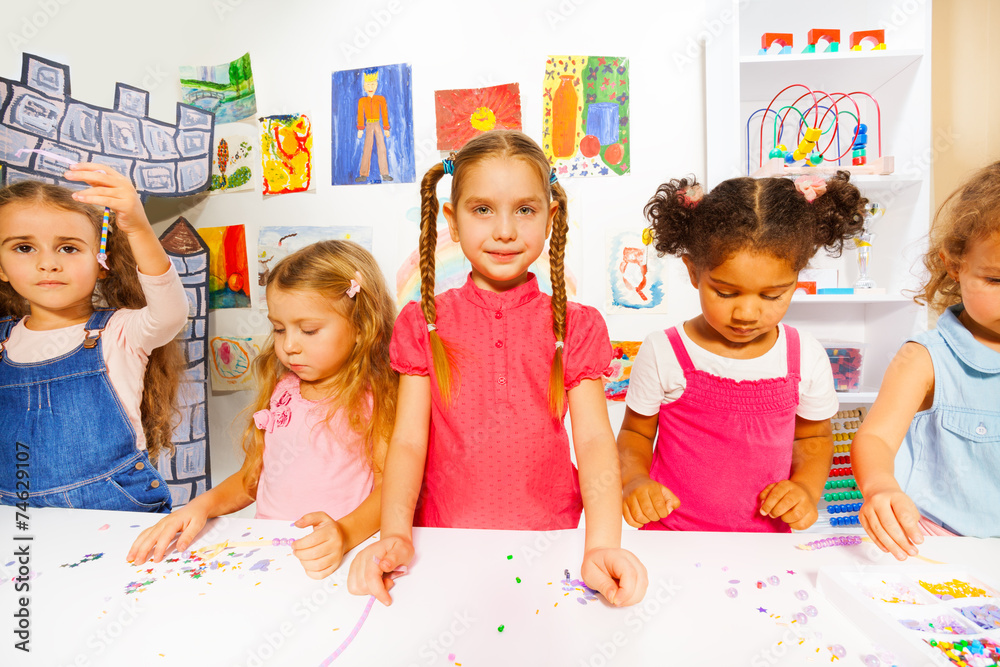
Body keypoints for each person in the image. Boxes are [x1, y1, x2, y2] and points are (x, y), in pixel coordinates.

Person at [347, 130, 647, 606]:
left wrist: (603, 545)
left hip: (554, 543)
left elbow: (592, 442)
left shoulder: (577, 325)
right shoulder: (423, 323)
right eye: (482, 209)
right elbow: (406, 441)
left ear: (550, 218)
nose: (505, 230)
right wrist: (395, 534)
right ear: (452, 218)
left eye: (525, 210)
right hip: (442, 543)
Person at [128, 241, 398, 578]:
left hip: (341, 560)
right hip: (271, 555)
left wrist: (343, 534)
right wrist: (200, 507)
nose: (289, 346)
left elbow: (393, 489)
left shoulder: (378, 396)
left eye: (309, 330)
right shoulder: (285, 388)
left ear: (361, 325)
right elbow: (253, 479)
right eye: (279, 328)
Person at [618, 173, 867, 532]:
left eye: (771, 295)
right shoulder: (664, 351)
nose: (747, 314)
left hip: (765, 545)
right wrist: (635, 481)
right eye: (726, 292)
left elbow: (814, 438)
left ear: (797, 279)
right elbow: (636, 435)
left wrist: (806, 489)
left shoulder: (805, 357)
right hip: (671, 538)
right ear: (693, 272)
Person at [0, 166, 187, 511]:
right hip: (19, 519)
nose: (47, 263)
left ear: (102, 262)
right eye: (24, 247)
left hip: (115, 512)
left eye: (68, 249)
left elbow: (170, 312)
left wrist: (137, 226)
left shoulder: (119, 332)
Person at [854, 161, 1000, 558]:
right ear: (955, 265)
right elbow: (877, 437)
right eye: (996, 281)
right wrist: (881, 487)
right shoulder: (925, 358)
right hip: (939, 542)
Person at [356, 67, 392, 183]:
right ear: (364, 86)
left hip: (378, 124)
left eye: (372, 85)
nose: (370, 88)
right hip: (368, 125)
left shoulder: (380, 99)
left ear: (376, 85)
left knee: (382, 147)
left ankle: (385, 173)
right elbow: (360, 115)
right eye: (368, 85)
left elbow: (384, 113)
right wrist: (361, 129)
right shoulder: (362, 101)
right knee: (367, 148)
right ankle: (363, 174)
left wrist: (386, 128)